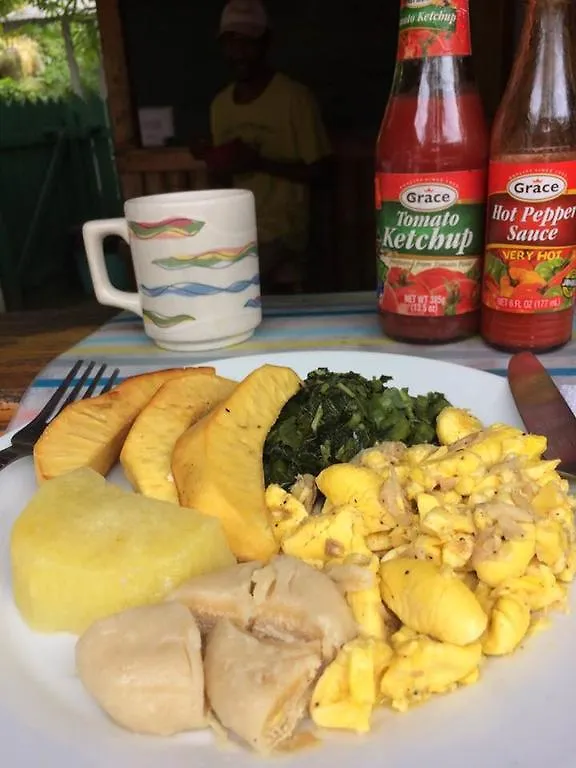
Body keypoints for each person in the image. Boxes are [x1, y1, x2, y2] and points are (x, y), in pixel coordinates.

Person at [205, 0, 333, 293]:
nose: (239, 53)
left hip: (284, 231)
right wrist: (214, 161)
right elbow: (222, 179)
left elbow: (324, 171)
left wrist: (259, 162)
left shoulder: (295, 98)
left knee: (226, 275)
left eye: (248, 43)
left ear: (266, 44)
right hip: (235, 228)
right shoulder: (220, 106)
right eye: (230, 43)